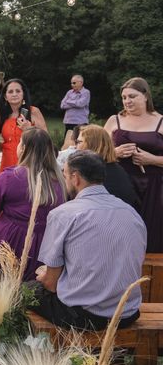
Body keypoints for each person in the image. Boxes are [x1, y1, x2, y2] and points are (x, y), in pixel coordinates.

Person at [30, 151, 146, 330]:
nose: (65, 179)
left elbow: (51, 284)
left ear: (75, 178)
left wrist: (45, 274)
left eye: (65, 174)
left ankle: (38, 354)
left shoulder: (64, 214)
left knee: (25, 290)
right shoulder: (132, 213)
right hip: (126, 312)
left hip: (83, 316)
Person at [0, 128, 66, 281]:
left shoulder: (9, 176)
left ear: (23, 148)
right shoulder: (60, 180)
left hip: (8, 242)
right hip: (44, 248)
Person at [104, 77, 163, 252]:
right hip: (120, 184)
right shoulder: (114, 121)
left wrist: (151, 159)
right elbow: (95, 152)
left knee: (152, 234)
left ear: (145, 96)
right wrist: (115, 153)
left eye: (132, 96)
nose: (127, 101)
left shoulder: (160, 121)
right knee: (119, 233)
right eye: (124, 97)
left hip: (154, 187)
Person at [76, 124, 139, 208]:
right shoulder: (116, 169)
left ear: (92, 144)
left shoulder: (94, 172)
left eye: (79, 142)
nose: (76, 147)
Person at [0, 78, 47, 171]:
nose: (14, 94)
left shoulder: (33, 112)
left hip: (28, 163)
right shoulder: (3, 115)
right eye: (10, 92)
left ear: (23, 94)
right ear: (5, 97)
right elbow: (1, 143)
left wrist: (29, 129)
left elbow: (46, 139)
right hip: (7, 163)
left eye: (18, 91)